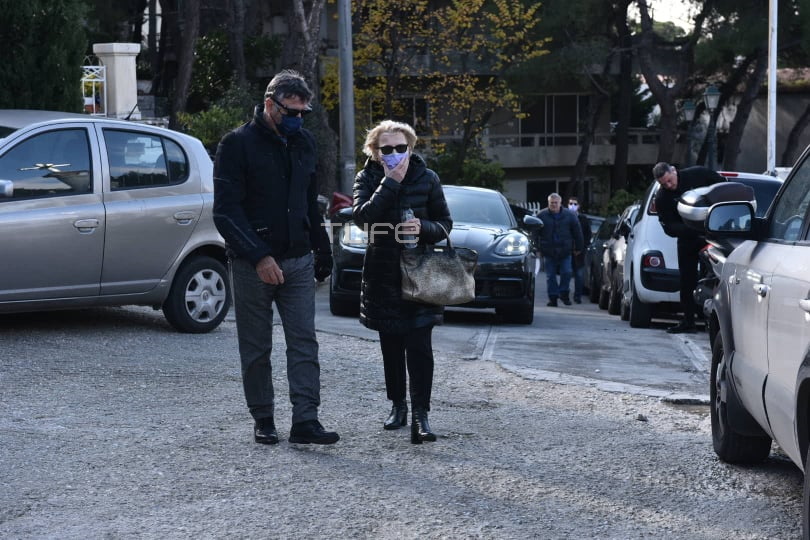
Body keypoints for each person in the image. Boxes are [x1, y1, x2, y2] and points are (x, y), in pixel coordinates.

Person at [212, 70, 339, 445]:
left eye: (303, 113)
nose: (298, 119)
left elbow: (310, 203)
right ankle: (263, 418)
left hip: (298, 259)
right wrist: (259, 256)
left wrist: (322, 248)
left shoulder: (305, 142)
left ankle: (306, 420)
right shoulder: (236, 144)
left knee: (304, 343)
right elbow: (225, 212)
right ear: (270, 104)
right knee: (256, 346)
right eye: (291, 112)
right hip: (252, 265)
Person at [352, 120, 452, 445]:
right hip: (382, 272)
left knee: (420, 346)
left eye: (400, 147)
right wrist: (390, 182)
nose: (395, 153)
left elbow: (445, 223)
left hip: (421, 272)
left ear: (410, 147)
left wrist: (424, 228)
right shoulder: (367, 178)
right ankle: (398, 405)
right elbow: (362, 217)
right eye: (387, 149)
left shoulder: (427, 177)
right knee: (391, 345)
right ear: (375, 151)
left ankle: (422, 415)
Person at [652, 161, 724, 334]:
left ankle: (715, 320)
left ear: (674, 171)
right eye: (664, 184)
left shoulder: (697, 174)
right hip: (687, 238)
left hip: (713, 235)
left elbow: (723, 187)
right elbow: (669, 226)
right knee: (686, 281)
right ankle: (688, 321)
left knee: (716, 276)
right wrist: (691, 229)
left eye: (670, 180)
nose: (669, 185)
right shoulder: (662, 197)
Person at [535, 193, 584, 307]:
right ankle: (553, 298)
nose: (554, 205)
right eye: (551, 203)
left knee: (567, 272)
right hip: (548, 250)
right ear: (548, 203)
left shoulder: (570, 215)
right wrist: (537, 249)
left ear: (560, 203)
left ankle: (563, 292)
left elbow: (577, 232)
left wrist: (579, 247)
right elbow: (535, 233)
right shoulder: (541, 215)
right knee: (550, 276)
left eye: (556, 203)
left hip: (565, 250)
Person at [567, 197, 592, 304]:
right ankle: (564, 294)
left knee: (579, 274)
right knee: (566, 273)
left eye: (575, 204)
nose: (572, 206)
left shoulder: (583, 219)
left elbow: (588, 235)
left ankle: (577, 296)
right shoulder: (565, 217)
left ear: (578, 206)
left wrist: (581, 248)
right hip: (567, 251)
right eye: (570, 203)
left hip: (580, 252)